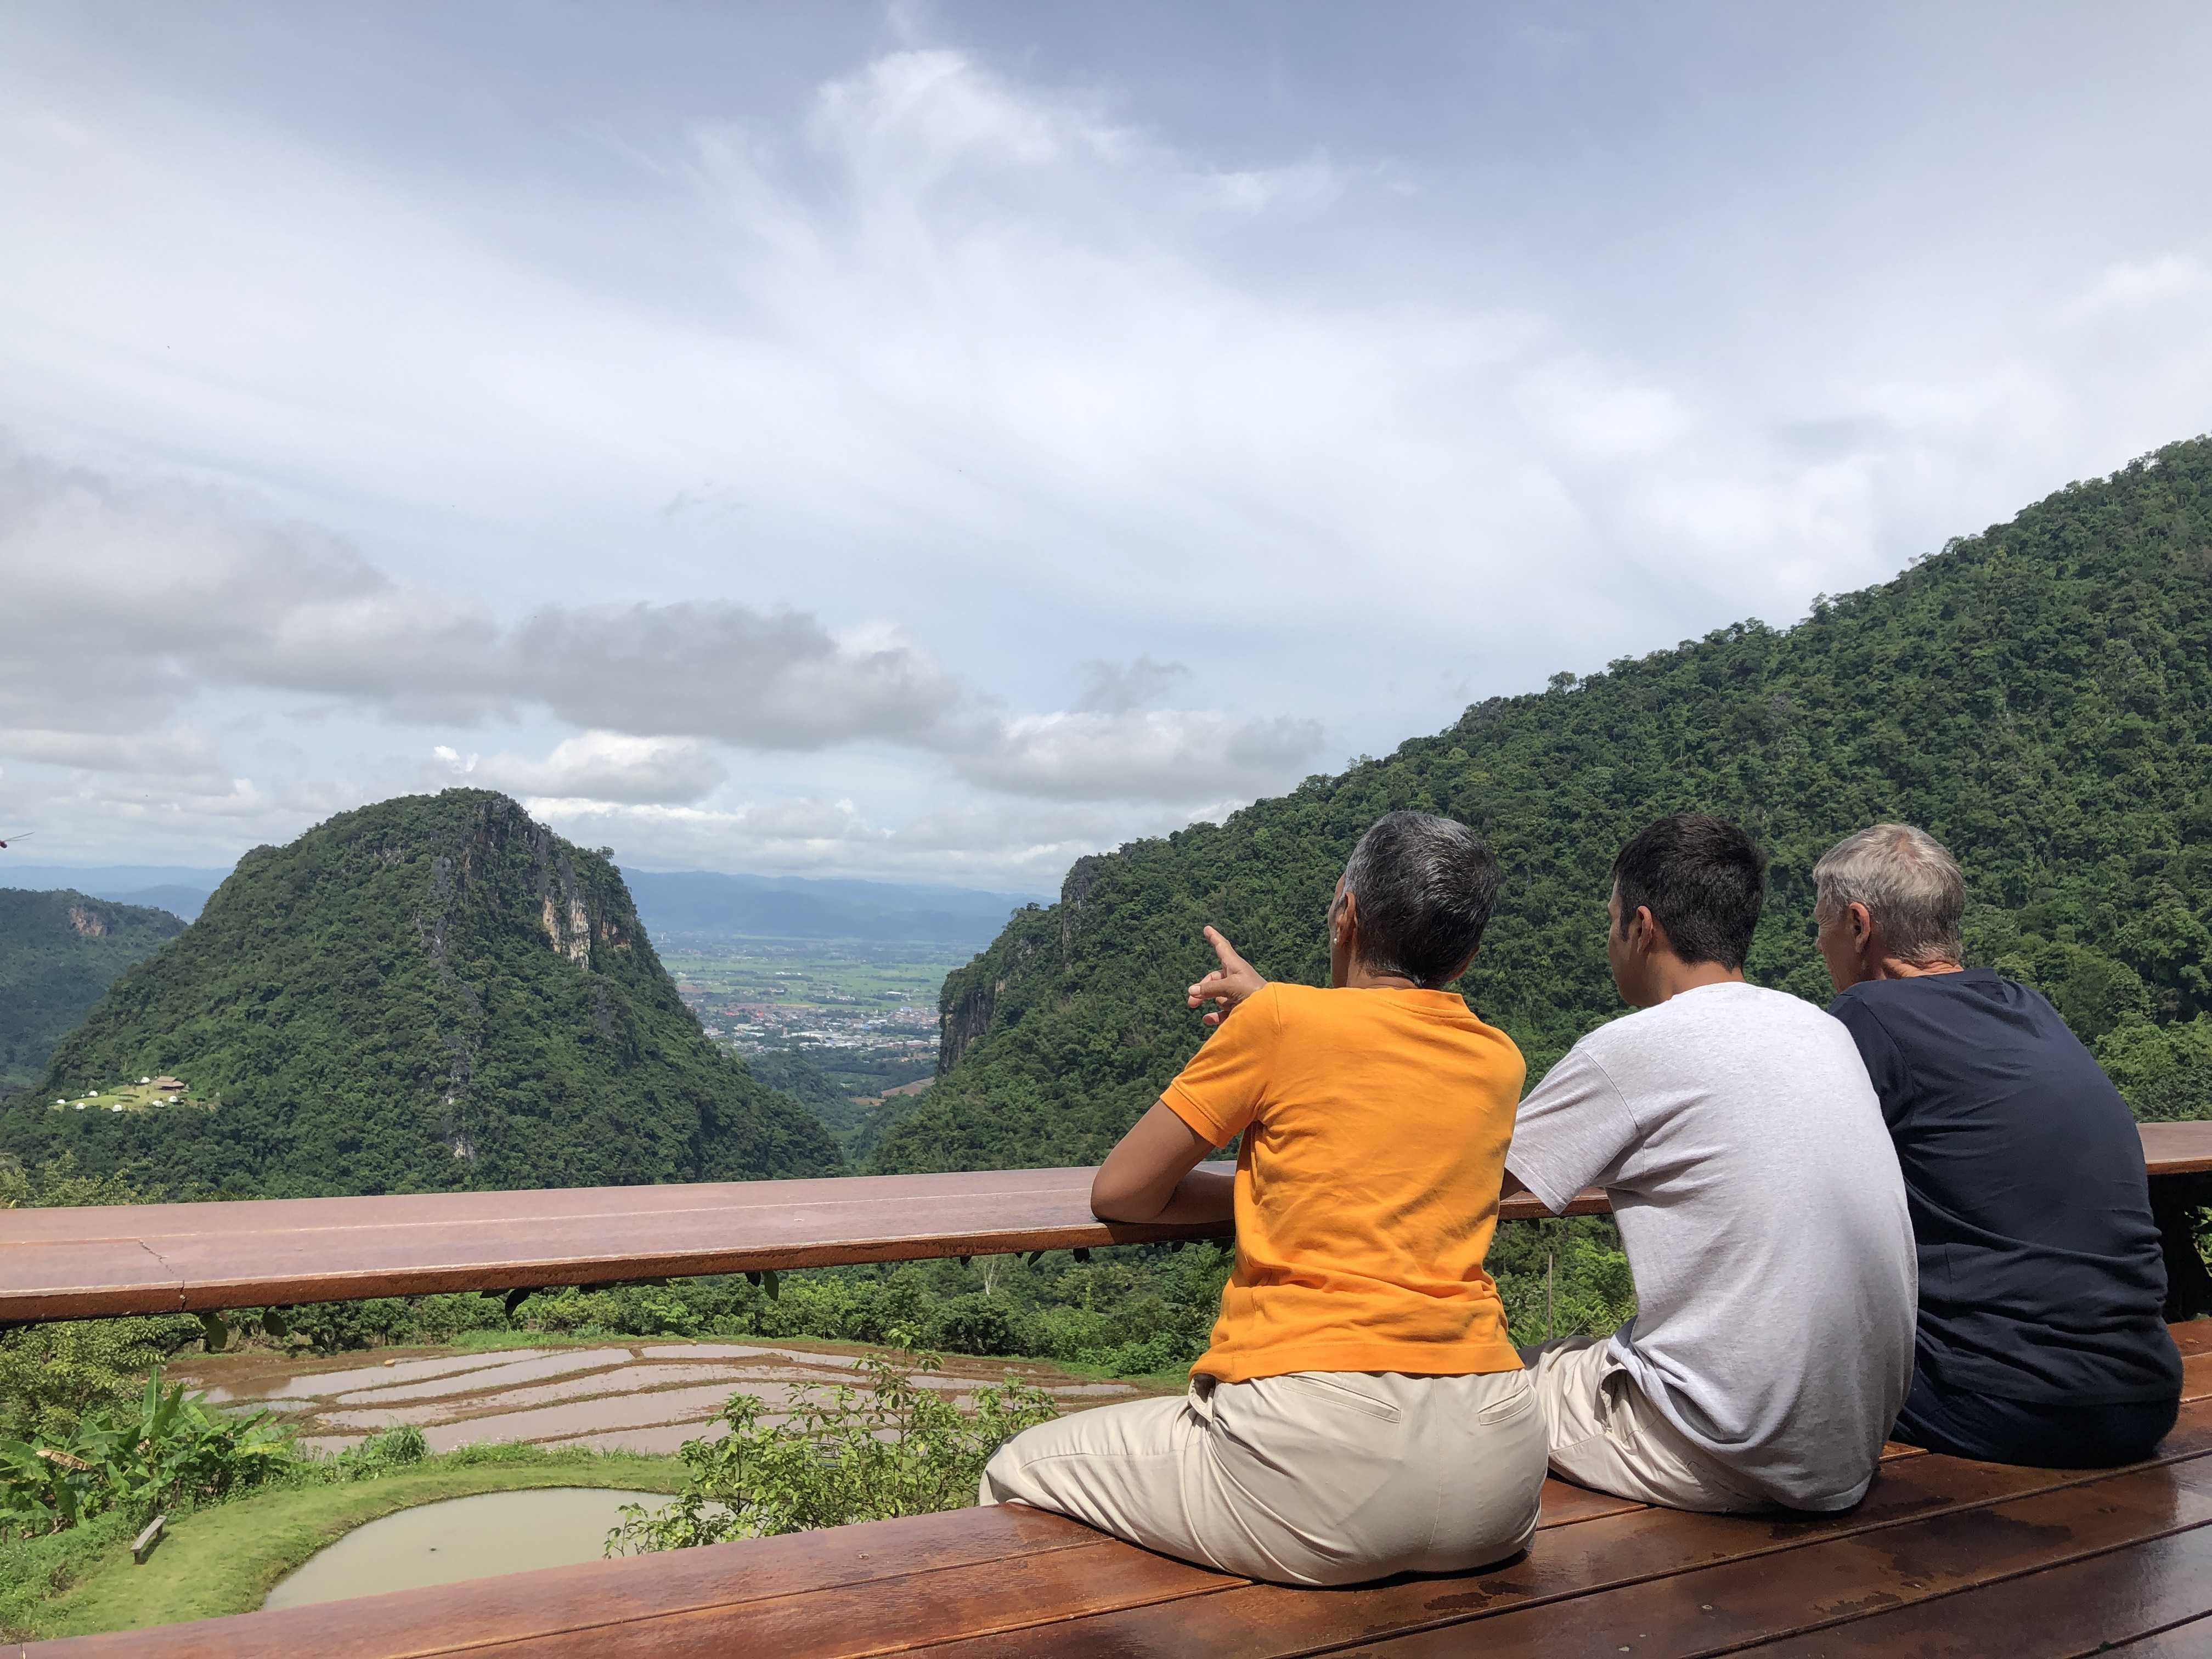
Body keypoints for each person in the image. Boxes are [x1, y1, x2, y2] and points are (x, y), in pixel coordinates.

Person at [978, 811, 1548, 1586]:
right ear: (1470, 953)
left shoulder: (1282, 1021)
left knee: (1018, 1470)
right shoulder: (1497, 1057)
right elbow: (1374, 1095)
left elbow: (1123, 1192)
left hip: (1322, 1458)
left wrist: (1261, 1179)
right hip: (1500, 1465)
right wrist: (1285, 1171)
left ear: (1346, 913)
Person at [1504, 812, 1917, 1513]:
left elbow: (1468, 1177)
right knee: (1589, 1351)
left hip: (1729, 1451)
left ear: (1643, 927)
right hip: (1848, 1448)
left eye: (1610, 923)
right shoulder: (1824, 1029)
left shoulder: (1630, 1049)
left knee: (1492, 1386)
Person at [1813, 822, 2181, 1466]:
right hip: (2145, 1393)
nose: (1819, 947)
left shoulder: (1869, 1015)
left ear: (1859, 925)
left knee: (1754, 1371)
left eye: (1821, 927)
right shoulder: (2029, 1006)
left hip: (2007, 1404)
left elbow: (1788, 1186)